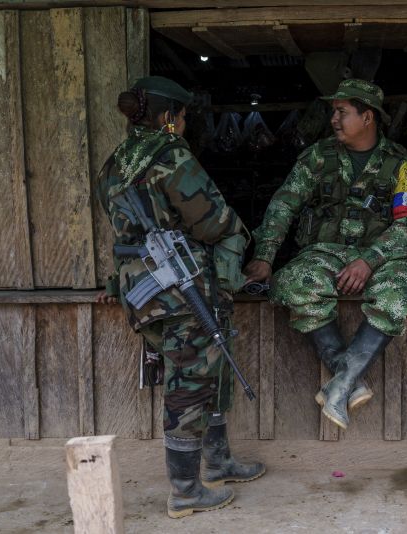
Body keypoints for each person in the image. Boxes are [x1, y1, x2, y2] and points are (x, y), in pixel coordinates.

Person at [96, 76, 264, 518]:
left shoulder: (114, 164)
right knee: (190, 384)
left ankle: (219, 461)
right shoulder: (171, 157)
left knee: (202, 373)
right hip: (181, 288)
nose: (186, 124)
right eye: (184, 116)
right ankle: (187, 490)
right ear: (169, 117)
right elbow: (213, 222)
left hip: (143, 292)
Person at [243, 79, 407, 430]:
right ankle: (349, 381)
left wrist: (369, 260)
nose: (333, 119)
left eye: (342, 112)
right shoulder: (319, 156)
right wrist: (265, 256)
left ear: (368, 117)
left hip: (383, 259)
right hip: (326, 253)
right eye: (334, 111)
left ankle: (339, 385)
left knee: (399, 289)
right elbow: (284, 204)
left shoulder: (400, 165)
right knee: (292, 282)